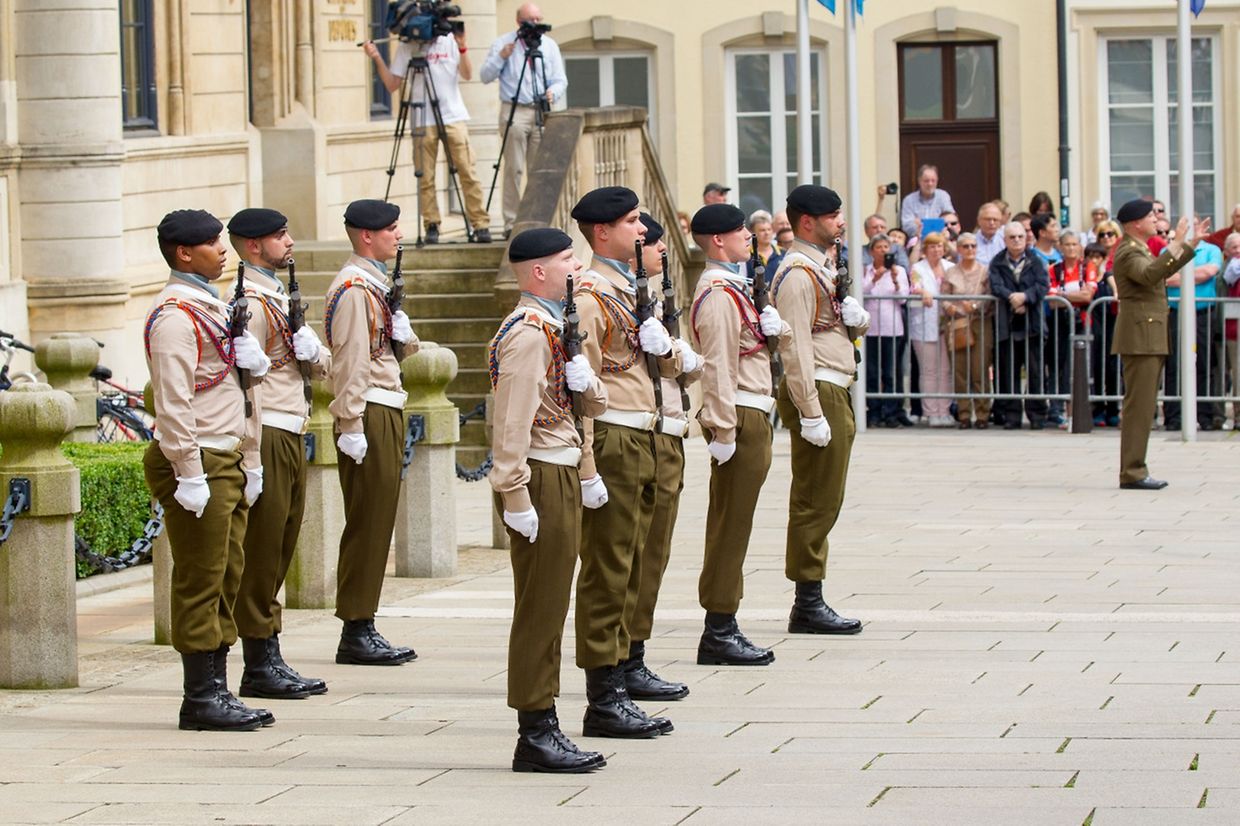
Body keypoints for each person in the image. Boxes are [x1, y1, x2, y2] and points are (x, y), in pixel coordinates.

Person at [143, 209, 273, 731]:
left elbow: (236, 392)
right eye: (213, 243)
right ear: (184, 253)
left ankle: (218, 687)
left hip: (226, 454)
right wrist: (187, 470)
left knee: (227, 574)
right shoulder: (175, 316)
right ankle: (200, 697)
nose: (223, 250)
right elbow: (173, 401)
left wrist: (251, 455)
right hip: (199, 457)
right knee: (201, 578)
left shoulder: (210, 308)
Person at [488, 227, 608, 773]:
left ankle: (545, 722)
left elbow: (587, 404)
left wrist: (588, 382)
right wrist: (514, 494)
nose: (577, 267)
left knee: (552, 602)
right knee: (541, 606)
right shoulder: (529, 334)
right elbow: (511, 423)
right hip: (538, 473)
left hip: (560, 467)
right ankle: (534, 731)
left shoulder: (555, 327)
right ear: (538, 272)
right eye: (566, 260)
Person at [570, 186, 686, 738]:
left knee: (636, 562)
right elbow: (582, 389)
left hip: (645, 433)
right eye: (632, 221)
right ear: (602, 232)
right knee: (609, 567)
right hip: (614, 437)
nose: (643, 230)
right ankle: (603, 695)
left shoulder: (629, 290)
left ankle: (622, 672)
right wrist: (587, 465)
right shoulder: (591, 296)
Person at [226, 208, 330, 701]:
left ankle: (269, 651)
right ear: (253, 246)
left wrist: (314, 351)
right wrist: (251, 455)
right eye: (278, 236)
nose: (289, 242)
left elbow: (321, 365)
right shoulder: (248, 301)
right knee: (264, 548)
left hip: (291, 426)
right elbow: (247, 384)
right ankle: (259, 658)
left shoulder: (277, 295)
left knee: (283, 541)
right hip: (267, 430)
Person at [689, 203, 790, 662]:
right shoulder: (717, 293)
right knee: (730, 525)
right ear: (717, 241)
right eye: (739, 232)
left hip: (752, 412)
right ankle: (719, 628)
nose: (748, 237)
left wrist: (777, 330)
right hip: (740, 415)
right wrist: (723, 429)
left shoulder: (736, 288)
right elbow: (718, 368)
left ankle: (725, 622)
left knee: (738, 523)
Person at [770, 184, 869, 636]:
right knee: (816, 498)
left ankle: (811, 596)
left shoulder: (818, 268)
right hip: (820, 390)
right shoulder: (797, 273)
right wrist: (810, 410)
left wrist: (854, 323)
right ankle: (807, 600)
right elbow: (795, 347)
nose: (841, 222)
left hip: (833, 387)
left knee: (827, 495)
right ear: (807, 222)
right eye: (832, 216)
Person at [324, 199, 419, 665]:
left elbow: (383, 350)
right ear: (366, 236)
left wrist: (403, 334)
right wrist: (350, 422)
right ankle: (356, 628)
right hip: (369, 410)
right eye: (391, 229)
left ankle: (364, 621)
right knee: (368, 521)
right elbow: (351, 362)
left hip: (383, 405)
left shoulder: (373, 286)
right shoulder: (354, 289)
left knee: (378, 520)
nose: (398, 236)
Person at [625, 213, 702, 701]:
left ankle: (634, 653)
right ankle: (620, 661)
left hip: (668, 428)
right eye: (654, 243)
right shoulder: (603, 296)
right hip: (638, 434)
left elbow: (678, 370)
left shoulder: (653, 298)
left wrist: (680, 356)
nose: (660, 250)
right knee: (629, 558)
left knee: (653, 556)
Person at [1111, 199, 1208, 489]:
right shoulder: (1128, 251)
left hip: (1147, 334)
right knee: (1139, 407)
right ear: (1135, 224)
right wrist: (1178, 244)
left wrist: (1187, 244)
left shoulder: (1138, 248)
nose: (1156, 220)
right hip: (1140, 336)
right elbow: (1150, 274)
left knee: (1143, 405)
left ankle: (1135, 469)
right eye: (1150, 216)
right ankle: (1133, 472)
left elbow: (1156, 270)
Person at [365, 28, 492, 244]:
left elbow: (467, 74)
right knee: (425, 176)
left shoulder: (449, 40)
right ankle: (431, 224)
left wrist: (462, 47)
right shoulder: (407, 45)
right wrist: (376, 56)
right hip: (422, 118)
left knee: (467, 171)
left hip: (453, 116)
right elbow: (392, 84)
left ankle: (480, 224)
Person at [481, 3, 567, 237]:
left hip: (540, 110)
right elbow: (485, 76)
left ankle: (538, 219)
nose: (535, 24)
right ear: (519, 22)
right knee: (514, 168)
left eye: (539, 19)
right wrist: (501, 57)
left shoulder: (549, 45)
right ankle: (511, 221)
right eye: (531, 20)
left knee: (539, 169)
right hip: (515, 110)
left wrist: (553, 92)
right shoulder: (504, 43)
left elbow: (560, 79)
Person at [988, 221, 1049, 430]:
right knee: (1009, 373)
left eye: (1020, 236)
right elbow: (995, 285)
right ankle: (1012, 415)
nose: (1016, 240)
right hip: (1008, 324)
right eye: (1012, 237)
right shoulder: (997, 262)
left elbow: (1042, 285)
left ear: (1026, 238)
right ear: (1005, 240)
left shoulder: (1036, 261)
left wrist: (1025, 297)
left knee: (1035, 373)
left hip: (1032, 324)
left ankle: (1037, 415)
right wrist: (1012, 298)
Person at [1163, 233, 1224, 431]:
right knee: (1174, 364)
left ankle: (1205, 415)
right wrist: (1194, 275)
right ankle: (1174, 416)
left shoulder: (1211, 250)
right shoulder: (1170, 250)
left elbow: (1209, 272)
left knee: (1205, 364)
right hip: (1175, 312)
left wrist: (1180, 275)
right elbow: (1164, 277)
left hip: (1203, 312)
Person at [940, 232, 993, 428]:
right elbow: (943, 296)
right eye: (966, 246)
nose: (970, 249)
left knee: (980, 369)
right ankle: (964, 413)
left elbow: (990, 296)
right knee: (960, 370)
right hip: (957, 323)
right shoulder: (951, 272)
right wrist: (950, 307)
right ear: (959, 249)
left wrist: (976, 306)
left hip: (980, 322)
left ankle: (982, 414)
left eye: (973, 246)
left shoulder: (985, 271)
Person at [1046, 231, 1096, 427]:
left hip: (1082, 322)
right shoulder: (1054, 269)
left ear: (1080, 247)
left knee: (1080, 366)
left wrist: (1063, 295)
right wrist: (1074, 295)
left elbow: (1087, 297)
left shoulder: (1087, 267)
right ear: (1060, 247)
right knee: (1058, 365)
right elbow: (1052, 301)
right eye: (1067, 244)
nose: (1071, 248)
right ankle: (1057, 409)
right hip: (1059, 322)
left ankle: (1077, 412)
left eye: (1075, 244)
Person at [862, 233, 911, 427]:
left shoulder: (899, 271)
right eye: (879, 247)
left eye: (886, 247)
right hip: (871, 329)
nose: (883, 251)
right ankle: (874, 411)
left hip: (893, 328)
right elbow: (861, 293)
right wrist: (874, 279)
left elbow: (903, 298)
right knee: (872, 372)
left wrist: (896, 281)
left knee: (891, 372)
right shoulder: (866, 270)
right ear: (871, 251)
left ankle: (891, 411)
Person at [909, 232, 953, 426]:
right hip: (924, 325)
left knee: (945, 370)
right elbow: (914, 286)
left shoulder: (950, 267)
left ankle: (944, 410)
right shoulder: (918, 268)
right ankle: (931, 411)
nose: (936, 250)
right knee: (929, 370)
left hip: (947, 324)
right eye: (932, 246)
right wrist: (922, 291)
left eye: (939, 246)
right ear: (925, 249)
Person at [1088, 226, 1122, 427]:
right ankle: (1098, 408)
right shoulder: (1087, 276)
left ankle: (1113, 409)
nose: (1094, 260)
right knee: (1096, 367)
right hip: (1094, 324)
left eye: (1098, 257)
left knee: (1112, 366)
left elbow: (1115, 287)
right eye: (1091, 256)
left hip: (1112, 322)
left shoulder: (1108, 275)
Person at [900, 164, 955, 236]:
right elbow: (906, 225)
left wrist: (921, 223)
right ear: (919, 181)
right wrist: (936, 224)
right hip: (917, 238)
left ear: (937, 181)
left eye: (933, 180)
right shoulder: (909, 200)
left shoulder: (943, 196)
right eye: (926, 181)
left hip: (941, 238)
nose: (930, 184)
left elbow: (952, 219)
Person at [748, 209, 785, 275]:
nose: (767, 233)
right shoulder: (747, 255)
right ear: (753, 232)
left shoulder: (783, 253)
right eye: (762, 230)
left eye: (769, 229)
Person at [975, 202, 1006, 266]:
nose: (992, 223)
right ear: (979, 220)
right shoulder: (971, 242)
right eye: (988, 219)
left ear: (1000, 222)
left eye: (995, 220)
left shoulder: (1005, 240)